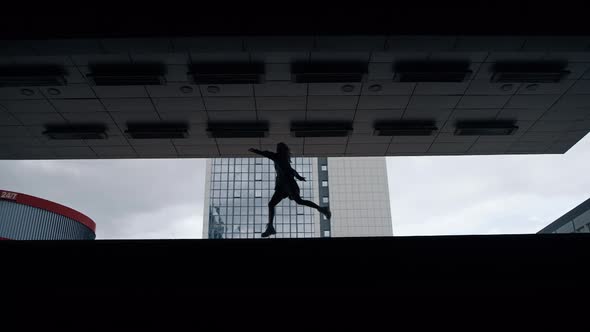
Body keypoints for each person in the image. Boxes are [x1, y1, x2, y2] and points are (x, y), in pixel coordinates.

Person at [248, 143, 331, 238]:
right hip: (284, 185)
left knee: (276, 203)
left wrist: (255, 150)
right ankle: (270, 227)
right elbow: (292, 170)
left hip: (286, 184)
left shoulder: (278, 156)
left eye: (278, 148)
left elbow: (267, 154)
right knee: (291, 202)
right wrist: (299, 177)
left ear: (280, 150)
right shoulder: (284, 158)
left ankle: (323, 209)